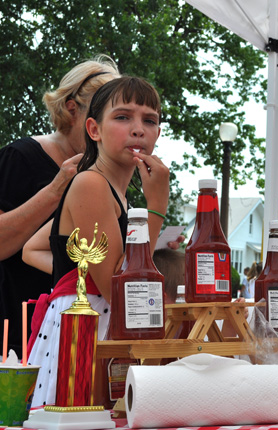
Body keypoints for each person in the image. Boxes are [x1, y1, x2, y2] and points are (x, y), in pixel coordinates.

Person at [23, 76, 169, 406]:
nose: (138, 129)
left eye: (150, 120)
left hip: (100, 331)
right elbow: (120, 288)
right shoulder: (91, 184)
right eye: (123, 117)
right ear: (94, 130)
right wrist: (157, 206)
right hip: (83, 335)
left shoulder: (118, 196)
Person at [0, 56, 120, 358]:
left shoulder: (105, 175)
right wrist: (56, 189)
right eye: (103, 113)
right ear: (72, 108)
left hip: (75, 336)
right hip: (15, 337)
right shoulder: (20, 157)